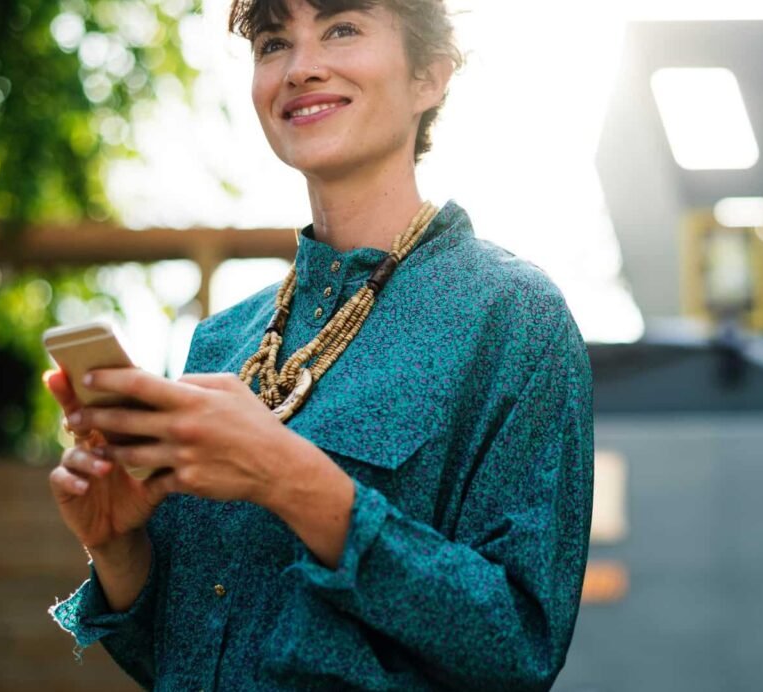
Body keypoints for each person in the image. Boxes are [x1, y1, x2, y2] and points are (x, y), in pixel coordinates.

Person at [46, 0, 595, 689]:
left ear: (429, 77)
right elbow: (180, 657)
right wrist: (118, 547)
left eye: (342, 29)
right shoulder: (220, 342)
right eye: (274, 43)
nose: (302, 68)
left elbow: (519, 649)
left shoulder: (515, 318)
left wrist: (292, 481)